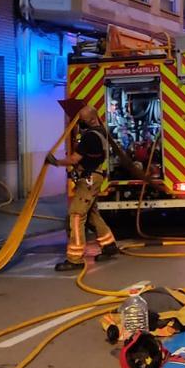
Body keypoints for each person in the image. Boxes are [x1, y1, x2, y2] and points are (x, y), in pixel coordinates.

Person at [47, 105, 121, 271]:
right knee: (92, 214)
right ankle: (109, 245)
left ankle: (75, 258)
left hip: (88, 179)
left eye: (82, 120)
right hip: (94, 177)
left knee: (76, 215)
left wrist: (56, 162)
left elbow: (74, 159)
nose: (80, 123)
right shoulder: (101, 133)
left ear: (91, 119)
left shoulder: (90, 137)